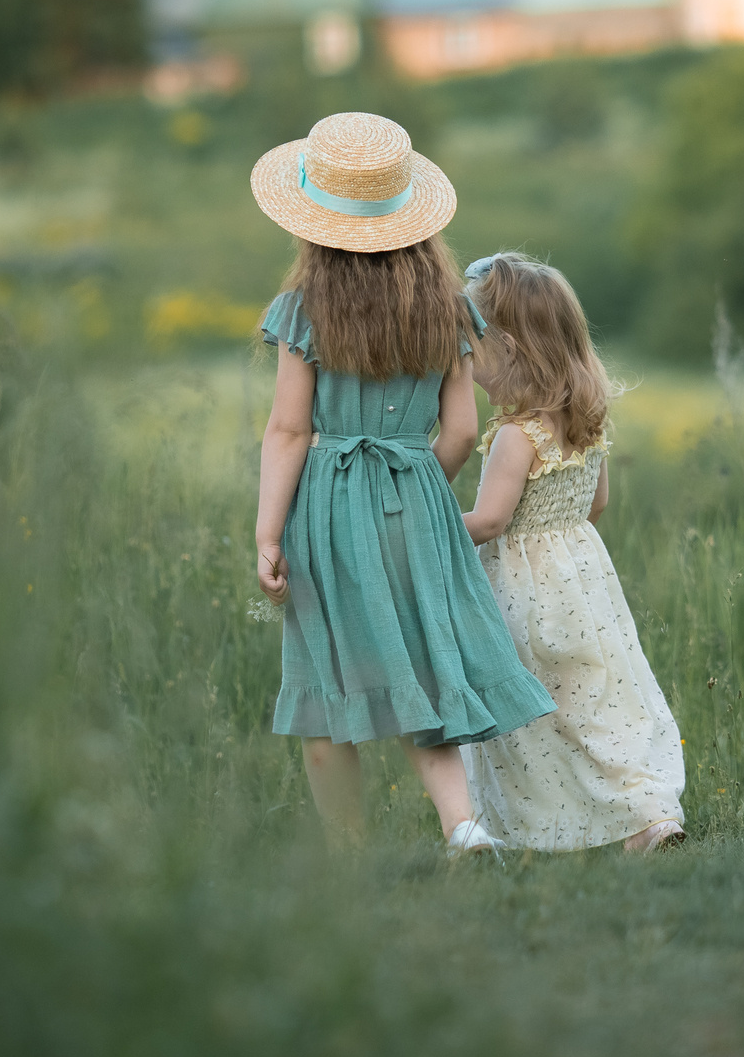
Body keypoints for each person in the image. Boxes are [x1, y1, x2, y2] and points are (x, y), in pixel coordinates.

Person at [250, 114, 555, 858]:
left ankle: (348, 859)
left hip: (326, 504)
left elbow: (289, 431)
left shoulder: (302, 313)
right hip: (414, 497)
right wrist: (416, 489)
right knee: (424, 667)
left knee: (324, 681)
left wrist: (267, 533)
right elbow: (456, 432)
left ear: (315, 224)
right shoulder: (450, 310)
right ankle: (464, 826)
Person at [458, 252, 687, 852]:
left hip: (522, 592)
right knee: (599, 707)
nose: (461, 355)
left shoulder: (515, 435)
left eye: (469, 341)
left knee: (535, 713)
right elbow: (596, 505)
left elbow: (488, 521)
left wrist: (428, 528)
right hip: (584, 585)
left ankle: (542, 823)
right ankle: (647, 816)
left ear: (504, 347)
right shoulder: (585, 420)